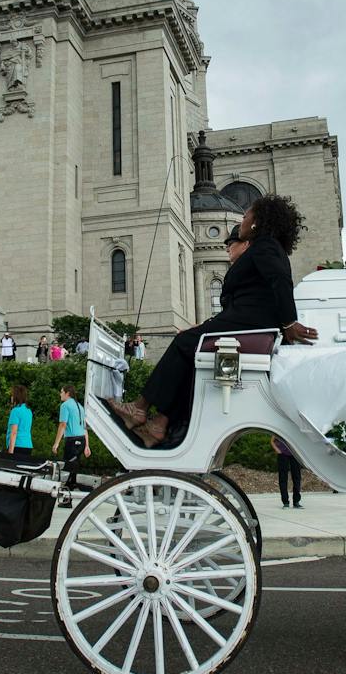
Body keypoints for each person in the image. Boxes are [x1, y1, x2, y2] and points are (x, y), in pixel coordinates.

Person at [104, 194, 318, 448]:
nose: (242, 222)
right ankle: (159, 424)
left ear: (258, 222)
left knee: (184, 342)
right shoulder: (266, 247)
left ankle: (139, 408)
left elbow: (280, 280)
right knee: (194, 360)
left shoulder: (266, 246)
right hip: (244, 322)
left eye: (246, 216)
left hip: (248, 324)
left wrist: (289, 322)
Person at [51, 384, 90, 506]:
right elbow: (84, 427)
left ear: (67, 393)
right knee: (73, 470)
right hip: (81, 440)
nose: (60, 394)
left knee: (68, 469)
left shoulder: (65, 405)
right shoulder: (80, 406)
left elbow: (63, 425)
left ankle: (68, 498)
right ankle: (68, 499)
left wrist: (56, 443)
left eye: (61, 392)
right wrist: (87, 445)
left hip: (72, 441)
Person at [3, 384, 34, 462]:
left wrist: (10, 452)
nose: (11, 397)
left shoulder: (15, 411)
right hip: (28, 445)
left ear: (16, 396)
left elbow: (14, 433)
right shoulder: (28, 411)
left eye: (12, 395)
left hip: (17, 446)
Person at [272, 434, 302, 509]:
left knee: (297, 477)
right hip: (283, 455)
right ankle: (285, 502)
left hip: (295, 454)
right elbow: (272, 441)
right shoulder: (280, 427)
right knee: (283, 478)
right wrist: (277, 450)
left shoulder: (295, 429)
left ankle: (296, 502)